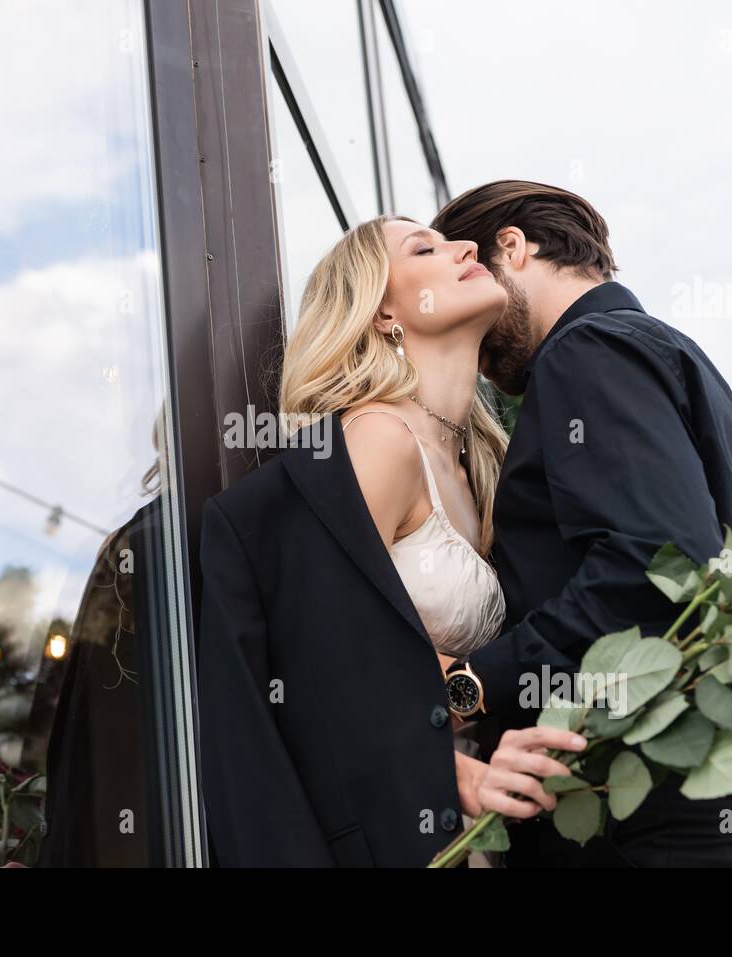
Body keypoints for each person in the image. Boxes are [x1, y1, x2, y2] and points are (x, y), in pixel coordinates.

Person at [429, 180, 732, 866]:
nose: (480, 348)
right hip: (713, 806)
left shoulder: (589, 352)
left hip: (662, 825)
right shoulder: (670, 358)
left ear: (512, 248)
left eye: (469, 272)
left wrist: (474, 683)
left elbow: (649, 567)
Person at [196, 215, 585, 867]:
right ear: (382, 312)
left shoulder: (481, 465)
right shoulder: (378, 439)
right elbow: (322, 652)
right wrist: (460, 777)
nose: (467, 246)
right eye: (425, 247)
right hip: (401, 828)